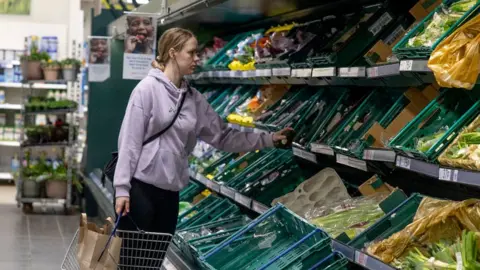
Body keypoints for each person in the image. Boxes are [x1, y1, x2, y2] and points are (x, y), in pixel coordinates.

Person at [113, 27, 291, 267]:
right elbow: (129, 142)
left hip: (170, 195)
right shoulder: (146, 90)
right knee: (132, 263)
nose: (197, 58)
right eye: (192, 52)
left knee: (152, 263)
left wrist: (269, 139)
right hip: (141, 190)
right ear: (173, 53)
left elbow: (224, 137)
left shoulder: (193, 99)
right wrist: (122, 188)